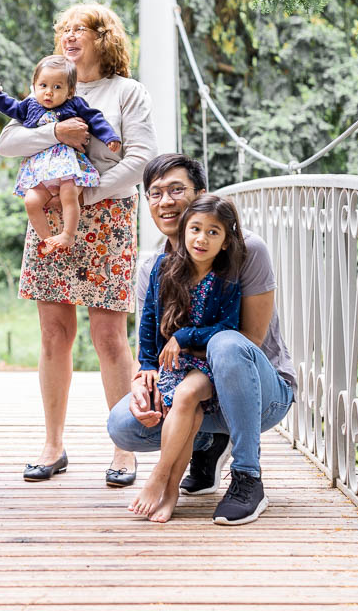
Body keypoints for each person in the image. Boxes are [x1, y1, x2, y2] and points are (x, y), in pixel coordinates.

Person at [0, 3, 157, 486]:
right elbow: (8, 142)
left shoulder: (127, 92)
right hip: (49, 217)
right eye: (62, 28)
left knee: (109, 336)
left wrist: (89, 193)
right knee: (53, 334)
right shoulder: (48, 86)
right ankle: (52, 444)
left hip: (106, 216)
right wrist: (54, 132)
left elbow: (142, 158)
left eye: (79, 29)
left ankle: (123, 446)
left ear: (102, 37)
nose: (68, 36)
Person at [107, 154, 296, 525]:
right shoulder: (154, 268)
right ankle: (206, 444)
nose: (166, 201)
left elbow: (249, 339)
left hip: (260, 393)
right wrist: (144, 377)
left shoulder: (244, 252)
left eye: (177, 189)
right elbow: (149, 336)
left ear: (201, 195)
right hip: (189, 379)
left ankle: (247, 476)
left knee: (225, 345)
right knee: (123, 425)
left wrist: (184, 340)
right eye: (155, 192)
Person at [128, 195, 246, 523]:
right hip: (171, 366)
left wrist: (184, 337)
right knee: (189, 414)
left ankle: (158, 478)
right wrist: (148, 364)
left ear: (225, 242)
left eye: (213, 232)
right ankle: (171, 492)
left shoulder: (227, 281)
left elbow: (227, 329)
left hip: (208, 366)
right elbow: (150, 318)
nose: (201, 238)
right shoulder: (164, 269)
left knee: (187, 395)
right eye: (195, 229)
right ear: (183, 230)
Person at [0, 55, 122, 252]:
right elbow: (10, 106)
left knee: (68, 194)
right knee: (31, 201)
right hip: (40, 172)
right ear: (34, 86)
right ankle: (47, 239)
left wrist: (109, 138)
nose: (49, 92)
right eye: (43, 85)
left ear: (70, 91)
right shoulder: (30, 106)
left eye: (57, 87)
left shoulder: (75, 104)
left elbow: (95, 119)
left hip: (67, 168)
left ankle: (68, 234)